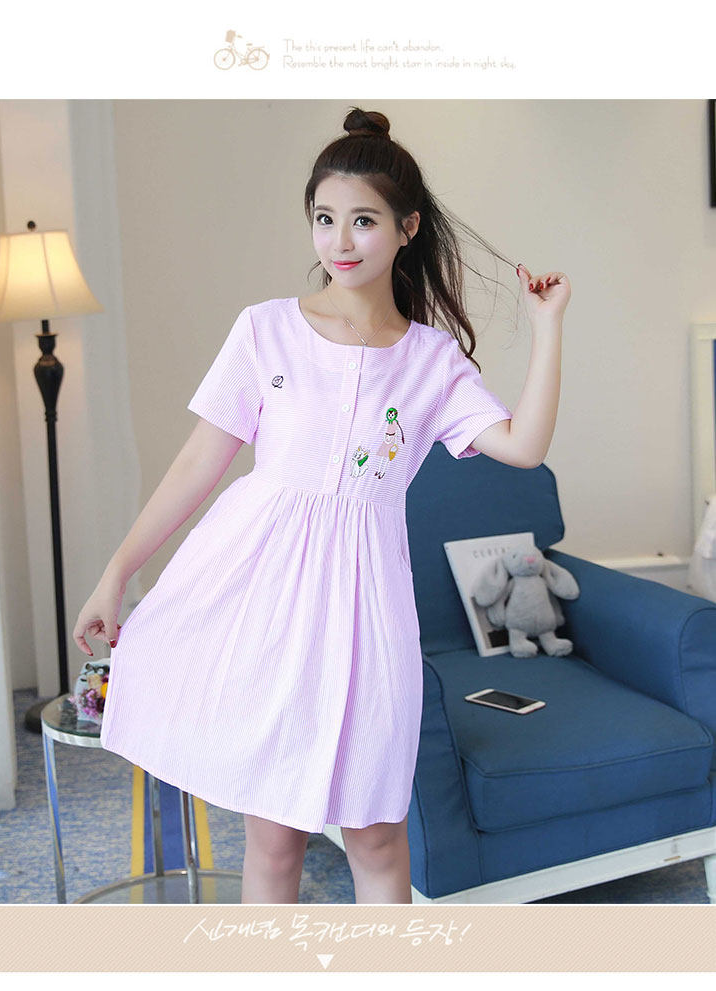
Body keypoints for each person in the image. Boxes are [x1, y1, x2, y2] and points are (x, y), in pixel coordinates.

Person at [73, 106, 571, 905]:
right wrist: (117, 572)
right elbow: (198, 464)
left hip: (369, 610)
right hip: (261, 595)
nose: (340, 240)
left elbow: (524, 445)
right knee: (274, 839)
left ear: (407, 228)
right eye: (325, 218)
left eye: (363, 220)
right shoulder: (265, 330)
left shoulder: (432, 359)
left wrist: (547, 328)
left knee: (376, 834)